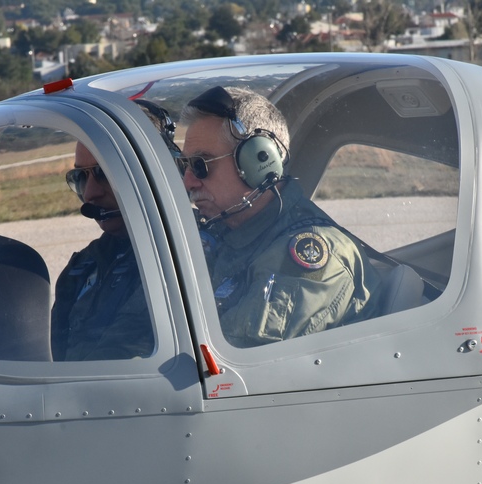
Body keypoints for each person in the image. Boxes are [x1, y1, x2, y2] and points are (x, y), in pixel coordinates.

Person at [179, 85, 382, 348]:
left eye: (201, 165)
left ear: (259, 162)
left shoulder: (306, 256)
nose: (189, 182)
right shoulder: (227, 229)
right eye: (184, 165)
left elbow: (236, 360)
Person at [51, 100, 179, 361]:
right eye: (81, 177)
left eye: (104, 172)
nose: (90, 194)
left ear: (155, 170)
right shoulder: (80, 269)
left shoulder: (191, 253)